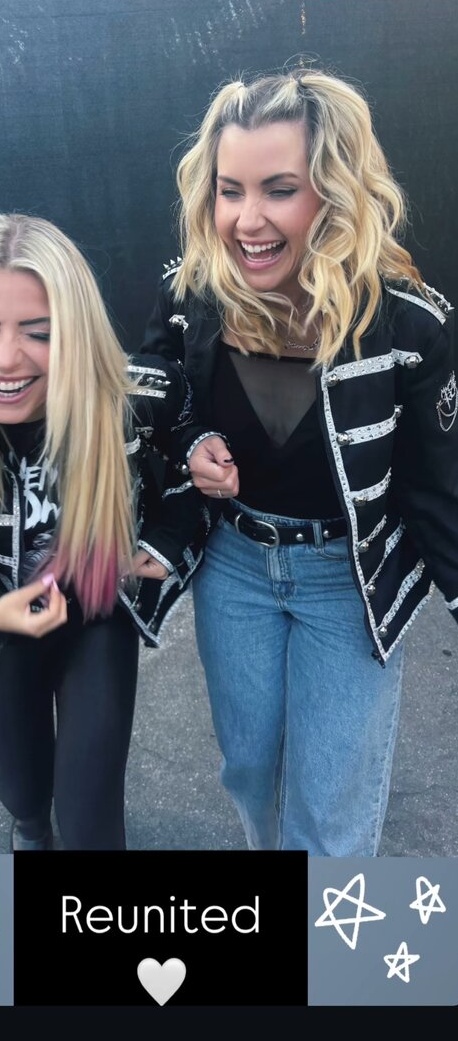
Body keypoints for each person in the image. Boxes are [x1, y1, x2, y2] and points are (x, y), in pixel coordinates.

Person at [140, 66, 458, 856]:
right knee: (250, 773)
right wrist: (192, 443)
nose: (246, 219)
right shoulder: (192, 296)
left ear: (333, 192)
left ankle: (329, 929)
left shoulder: (409, 326)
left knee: (328, 817)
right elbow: (161, 397)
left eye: (278, 189)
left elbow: (440, 489)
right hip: (235, 566)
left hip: (348, 580)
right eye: (230, 190)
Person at [0, 212, 209, 851]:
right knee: (23, 795)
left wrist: (166, 545)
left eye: (38, 333)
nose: (7, 359)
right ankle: (30, 829)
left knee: (91, 825)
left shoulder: (135, 397)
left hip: (96, 615)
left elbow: (196, 469)